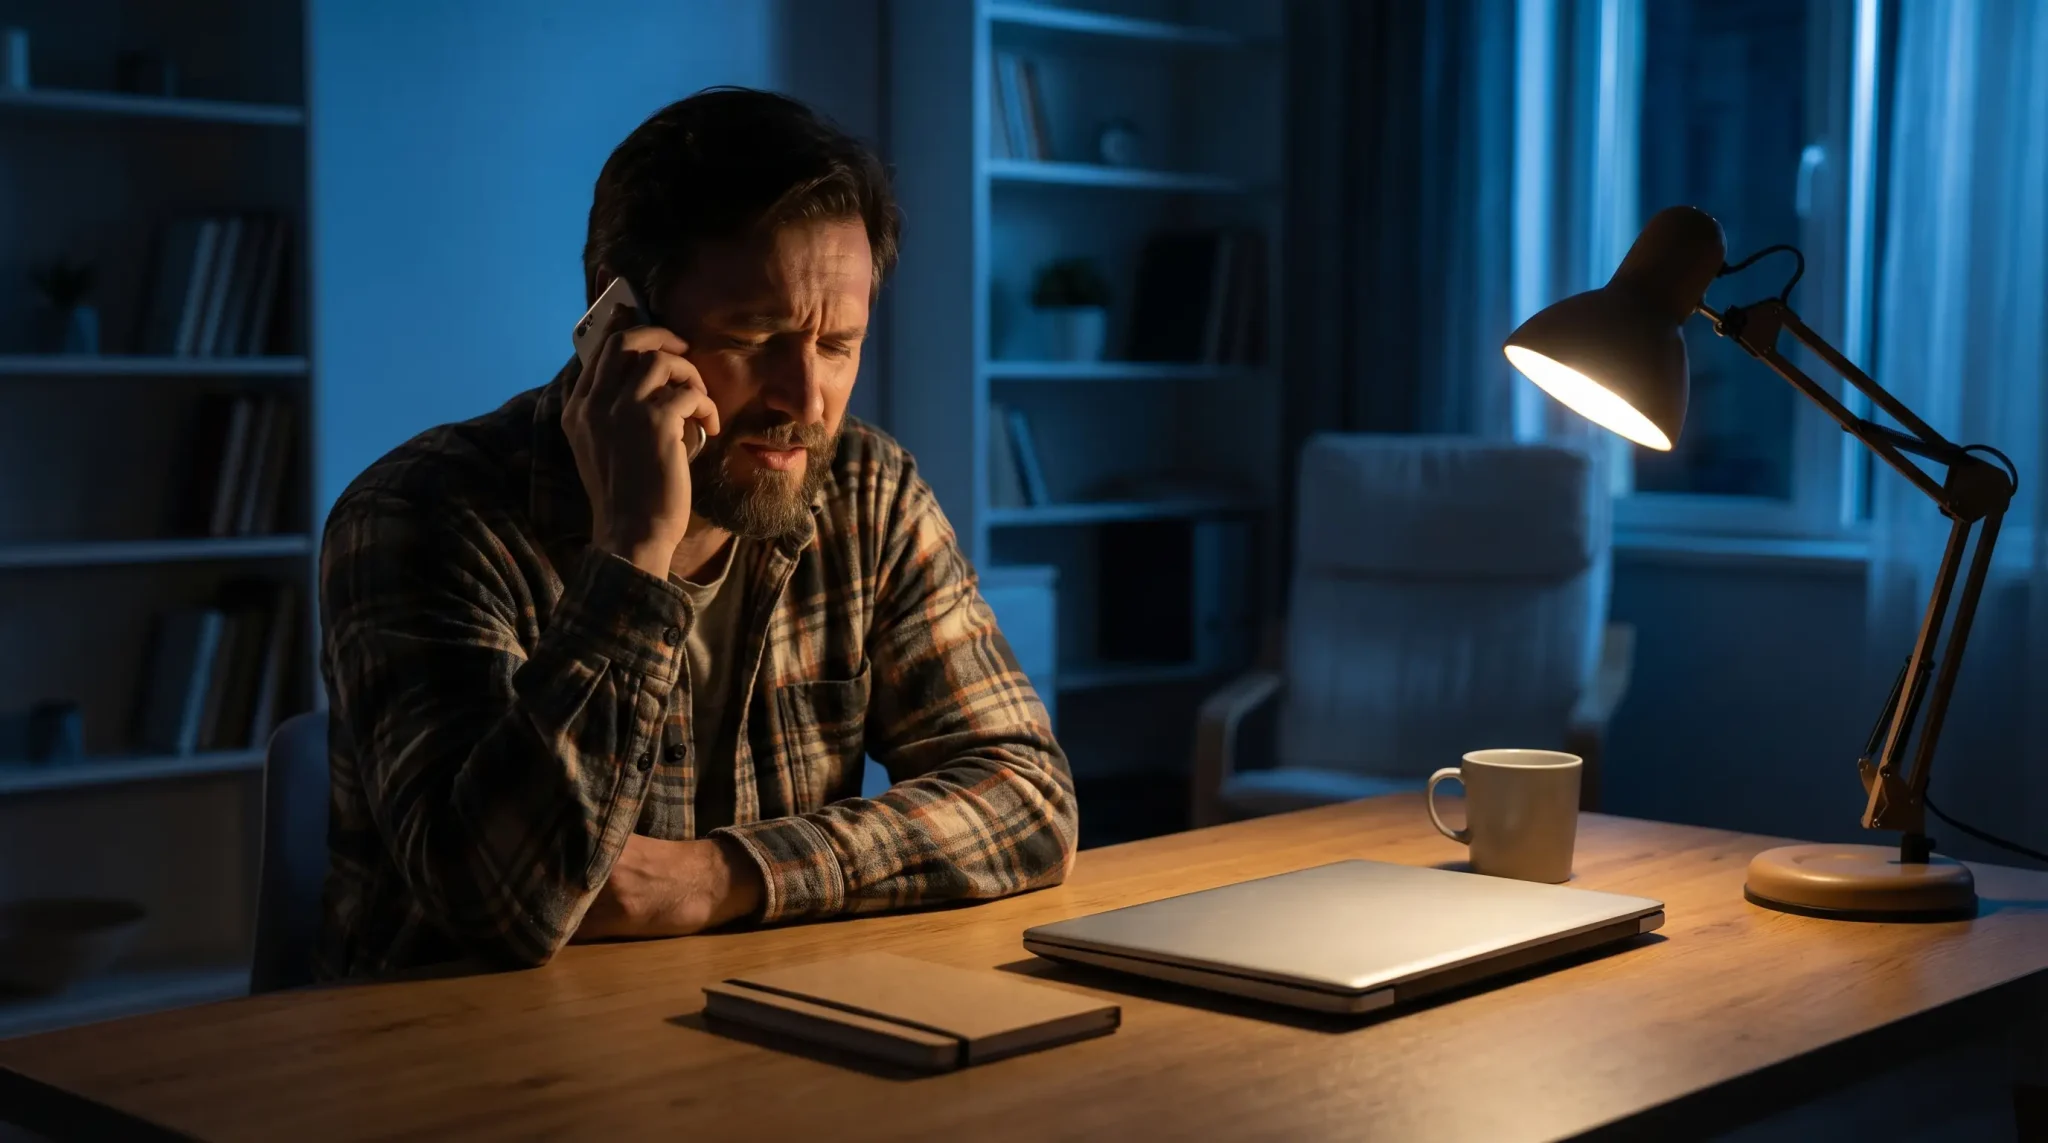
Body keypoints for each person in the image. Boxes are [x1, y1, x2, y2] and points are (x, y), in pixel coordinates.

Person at [315, 87, 1078, 979]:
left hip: (754, 1037)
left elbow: (1030, 797)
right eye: (757, 336)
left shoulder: (868, 491)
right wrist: (632, 555)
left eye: (838, 346)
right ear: (619, 328)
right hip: (456, 1071)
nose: (806, 400)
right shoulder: (419, 515)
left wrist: (717, 878)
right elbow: (499, 909)